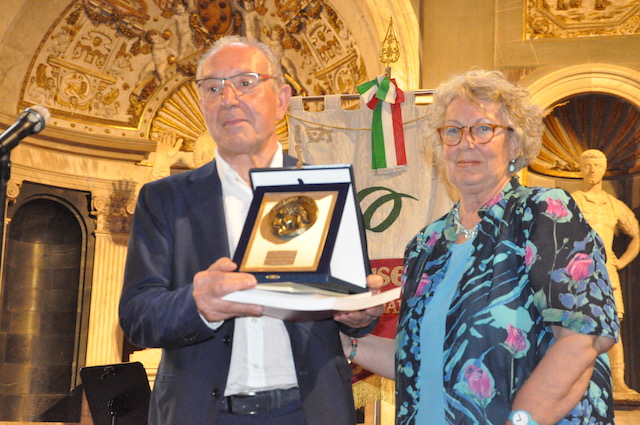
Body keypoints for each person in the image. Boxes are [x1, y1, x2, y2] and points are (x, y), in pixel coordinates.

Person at [119, 35, 383, 425]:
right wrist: (197, 304)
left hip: (308, 412)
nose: (228, 99)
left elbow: (349, 298)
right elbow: (137, 315)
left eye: (245, 82)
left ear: (281, 99)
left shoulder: (325, 188)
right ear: (202, 104)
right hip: (204, 415)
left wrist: (361, 313)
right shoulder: (165, 199)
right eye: (212, 88)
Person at [342, 69, 619, 425]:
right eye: (453, 131)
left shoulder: (541, 213)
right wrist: (347, 342)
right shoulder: (426, 245)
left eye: (483, 129)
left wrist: (522, 421)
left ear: (514, 144)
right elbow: (417, 360)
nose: (465, 143)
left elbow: (583, 337)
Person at [571, 149, 640, 400]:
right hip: (579, 269)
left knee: (612, 325)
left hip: (607, 270)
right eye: (587, 165)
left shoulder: (614, 205)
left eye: (597, 165)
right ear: (580, 168)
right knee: (579, 324)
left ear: (604, 169)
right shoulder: (572, 200)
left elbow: (636, 235)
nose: (592, 170)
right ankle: (580, 379)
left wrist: (621, 262)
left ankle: (618, 381)